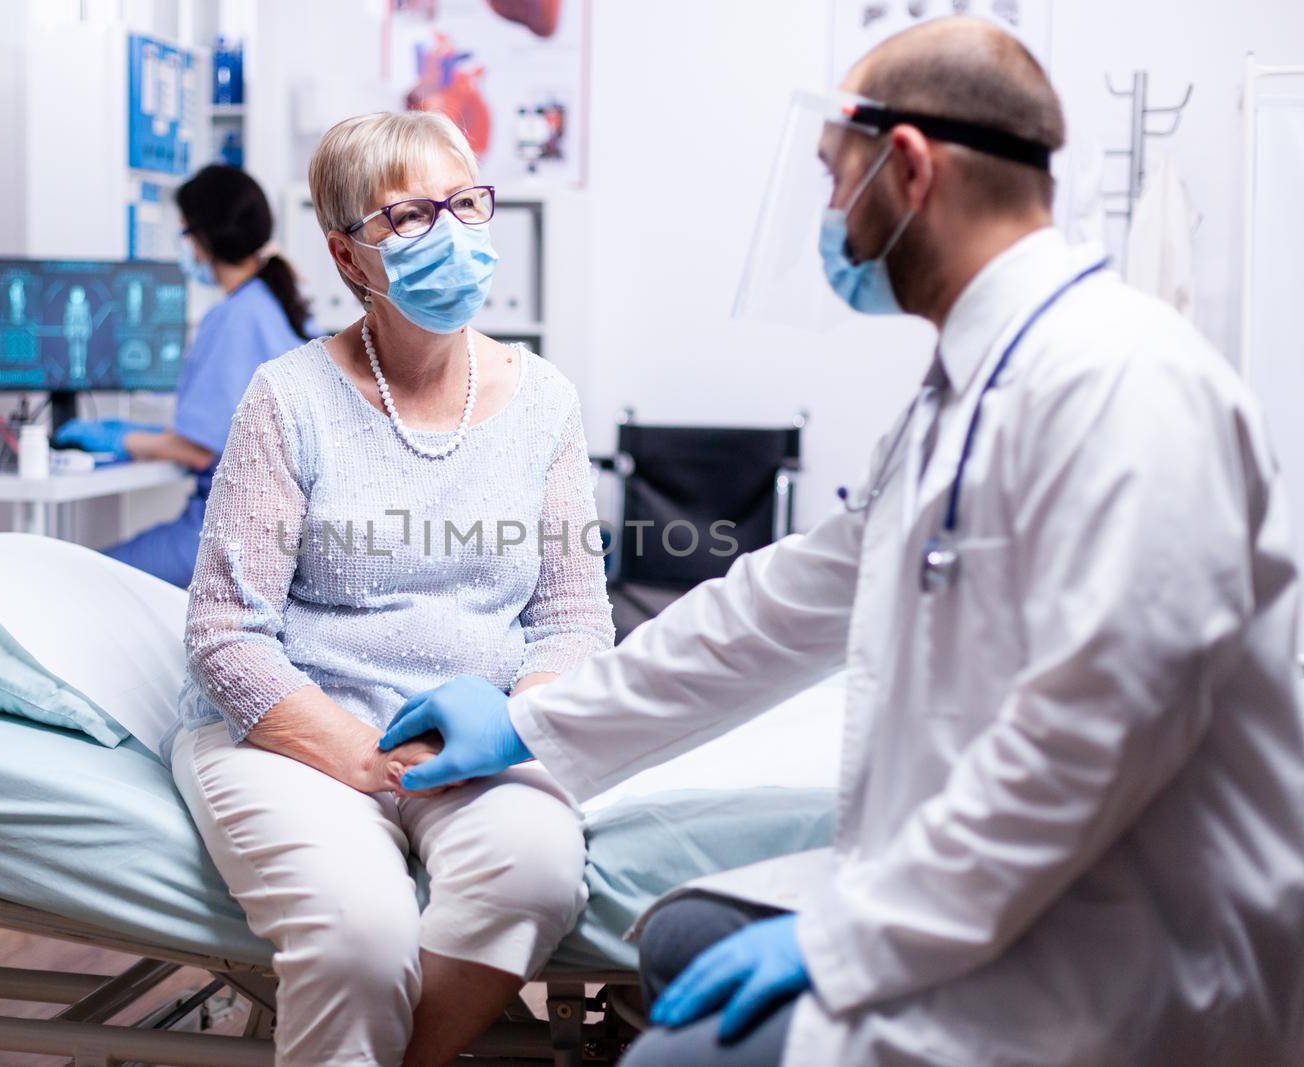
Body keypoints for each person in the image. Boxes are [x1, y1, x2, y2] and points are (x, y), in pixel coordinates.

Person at [377, 17, 1304, 1067]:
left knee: (678, 1054)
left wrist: (854, 934)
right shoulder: (969, 389)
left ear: (906, 168)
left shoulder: (1123, 383)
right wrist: (532, 724)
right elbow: (776, 610)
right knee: (682, 934)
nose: (826, 216)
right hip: (1017, 901)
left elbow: (1095, 728)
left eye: (833, 178)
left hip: (1126, 959)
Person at [166, 111, 614, 1067]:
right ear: (348, 255)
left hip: (477, 741)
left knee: (534, 872)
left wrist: (520, 725)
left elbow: (574, 618)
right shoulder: (287, 398)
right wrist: (364, 755)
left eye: (464, 204)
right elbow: (224, 631)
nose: (450, 232)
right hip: (299, 735)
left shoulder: (545, 403)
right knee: (360, 938)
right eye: (410, 217)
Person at [55, 165, 311, 587]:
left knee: (82, 579)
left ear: (202, 240)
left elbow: (197, 449)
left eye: (185, 233)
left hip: (232, 532)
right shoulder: (276, 304)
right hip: (273, 530)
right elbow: (225, 430)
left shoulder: (234, 318)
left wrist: (120, 439)